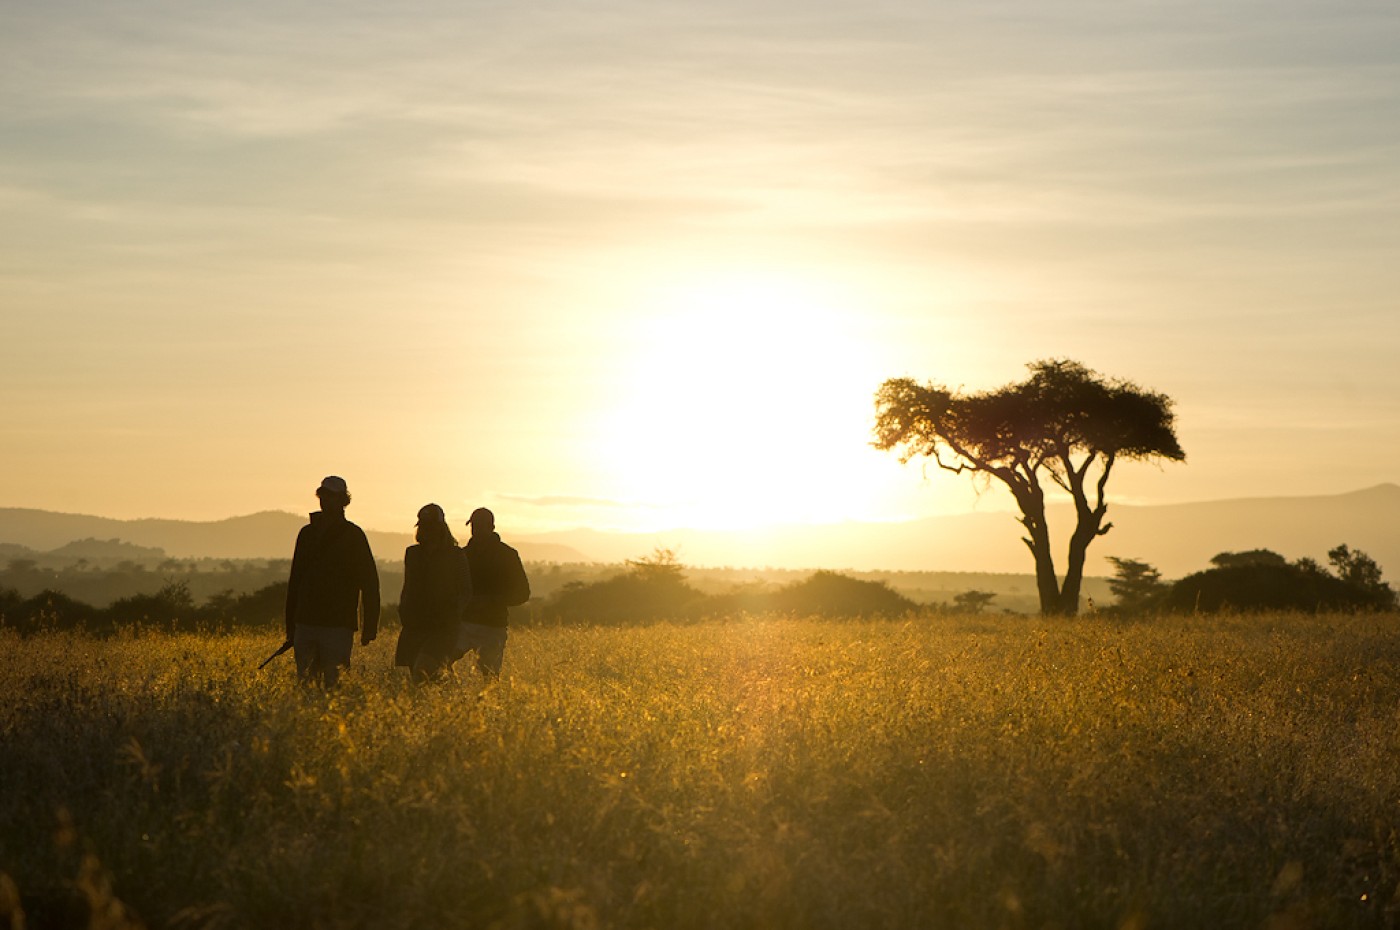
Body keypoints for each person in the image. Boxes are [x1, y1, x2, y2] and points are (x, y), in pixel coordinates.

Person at [283, 475, 381, 688]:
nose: (326, 501)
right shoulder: (307, 534)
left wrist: (369, 626)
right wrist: (291, 625)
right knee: (307, 686)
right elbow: (296, 580)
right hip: (306, 622)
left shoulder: (354, 535)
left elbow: (369, 582)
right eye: (323, 496)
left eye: (332, 497)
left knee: (333, 685)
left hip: (338, 624)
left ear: (343, 501)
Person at [394, 503, 472, 683]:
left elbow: (466, 589)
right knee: (421, 674)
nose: (426, 530)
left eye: (430, 526)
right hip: (415, 622)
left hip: (443, 626)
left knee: (424, 668)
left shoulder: (455, 555)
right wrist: (404, 609)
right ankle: (447, 701)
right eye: (423, 526)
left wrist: (454, 612)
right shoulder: (412, 553)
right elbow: (409, 585)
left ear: (440, 528)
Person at [458, 507, 529, 680]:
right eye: (474, 525)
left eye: (480, 526)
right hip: (463, 623)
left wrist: (491, 601)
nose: (476, 530)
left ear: (491, 527)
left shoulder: (507, 555)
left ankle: (485, 706)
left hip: (492, 626)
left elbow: (523, 593)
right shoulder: (462, 555)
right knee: (437, 664)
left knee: (489, 678)